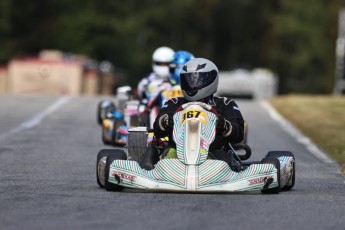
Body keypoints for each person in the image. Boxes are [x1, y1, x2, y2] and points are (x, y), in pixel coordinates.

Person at [140, 58, 244, 170]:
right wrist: (165, 121)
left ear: (212, 79)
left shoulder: (224, 104)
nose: (193, 84)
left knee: (224, 158)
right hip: (176, 157)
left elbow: (239, 134)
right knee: (162, 150)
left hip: (215, 156)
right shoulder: (174, 103)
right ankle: (148, 169)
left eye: (198, 80)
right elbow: (157, 130)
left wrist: (225, 125)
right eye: (189, 80)